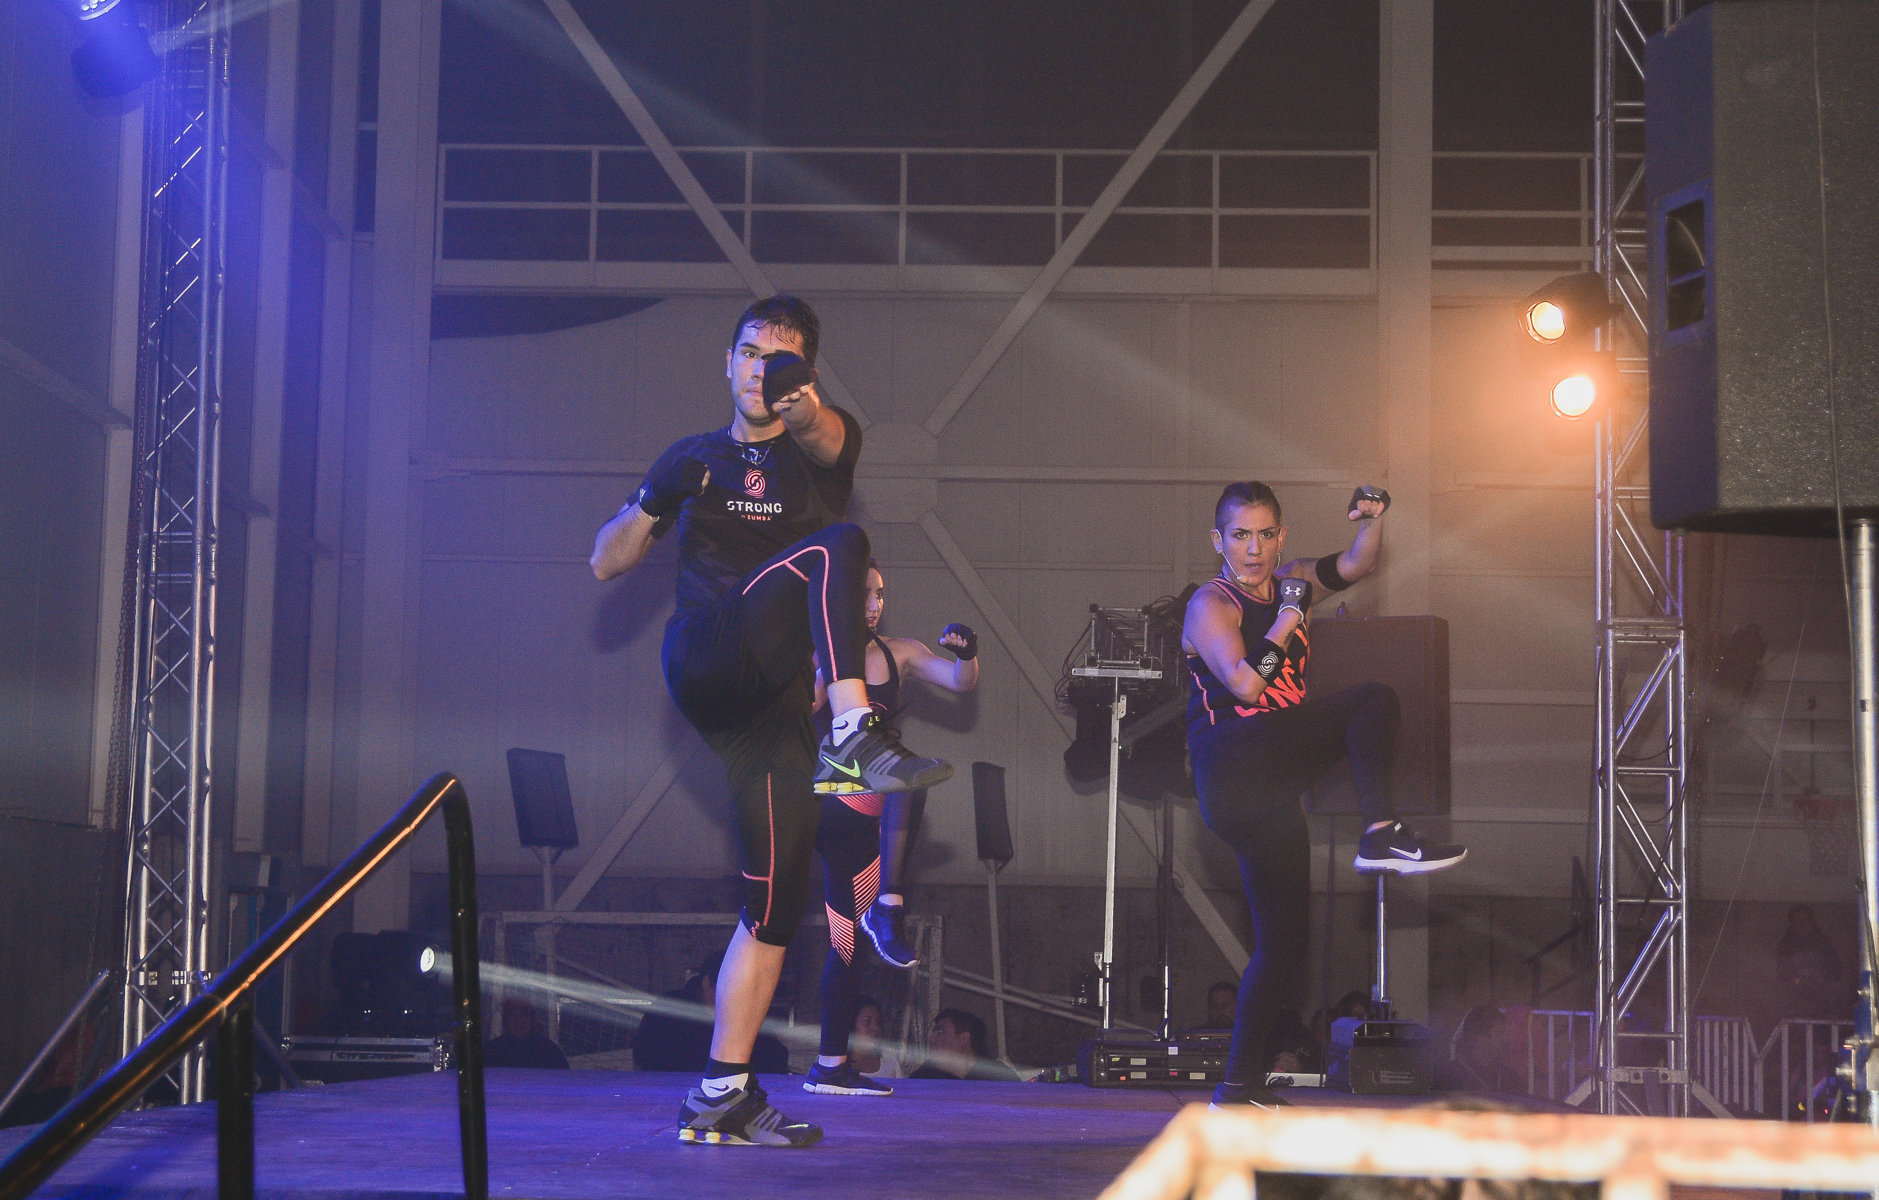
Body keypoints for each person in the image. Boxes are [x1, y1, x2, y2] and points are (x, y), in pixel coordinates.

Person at [591, 295, 952, 1148]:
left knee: (775, 902)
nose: (761, 371)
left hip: (770, 709)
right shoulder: (693, 457)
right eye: (751, 354)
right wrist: (651, 503)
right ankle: (854, 728)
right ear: (727, 362)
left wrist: (806, 408)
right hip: (708, 653)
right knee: (841, 547)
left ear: (805, 376)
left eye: (781, 360)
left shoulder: (822, 449)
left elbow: (825, 433)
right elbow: (605, 562)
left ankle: (720, 1093)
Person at [1182, 481, 1466, 1109]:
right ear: (1218, 541)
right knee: (1372, 700)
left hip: (1271, 786)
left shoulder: (1295, 579)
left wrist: (1373, 521)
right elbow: (1246, 686)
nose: (1253, 549)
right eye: (1240, 536)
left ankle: (1237, 1088)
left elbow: (1358, 565)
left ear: (1281, 537)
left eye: (1265, 535)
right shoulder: (1211, 603)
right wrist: (1290, 616)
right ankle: (1381, 832)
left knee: (1283, 946)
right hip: (1230, 760)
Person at [803, 564, 980, 1096]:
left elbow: (959, 682)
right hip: (834, 800)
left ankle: (830, 1065)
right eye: (864, 594)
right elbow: (804, 709)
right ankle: (889, 906)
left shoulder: (899, 652)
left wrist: (968, 654)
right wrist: (818, 666)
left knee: (846, 948)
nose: (875, 605)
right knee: (907, 775)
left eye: (880, 594)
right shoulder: (822, 656)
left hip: (872, 826)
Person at [631, 951, 788, 1075]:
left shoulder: (750, 1012)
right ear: (708, 983)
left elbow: (775, 1060)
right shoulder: (669, 1009)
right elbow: (644, 1055)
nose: (739, 998)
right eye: (733, 990)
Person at [908, 1008, 1021, 1081]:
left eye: (941, 1032)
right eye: (933, 1033)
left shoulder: (998, 1076)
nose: (931, 1039)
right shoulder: (926, 1074)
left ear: (963, 1038)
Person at [484, 998, 570, 1070]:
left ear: (532, 1020)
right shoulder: (492, 1051)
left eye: (524, 1015)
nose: (519, 1021)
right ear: (505, 1021)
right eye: (513, 1016)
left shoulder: (550, 1052)